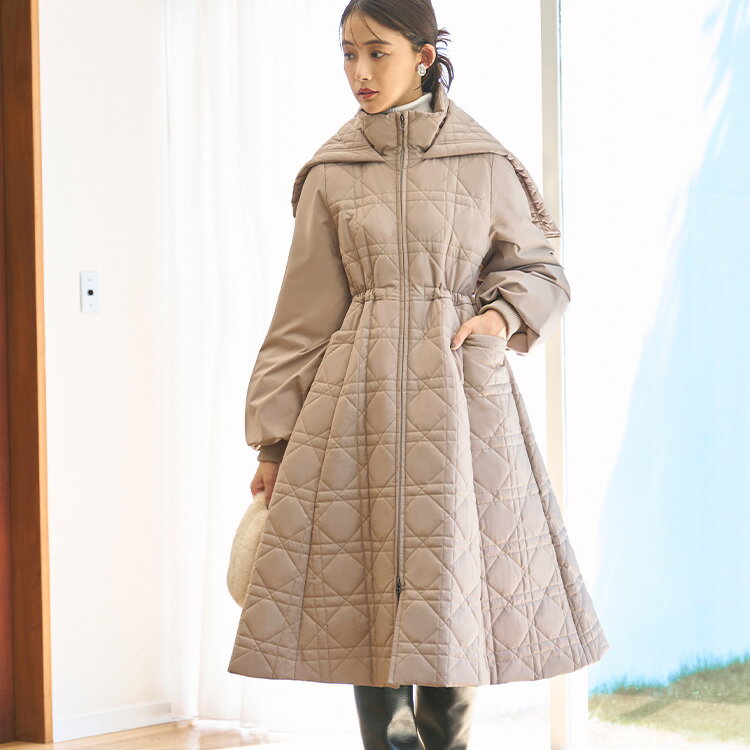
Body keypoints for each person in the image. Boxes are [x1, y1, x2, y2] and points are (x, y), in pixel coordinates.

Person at [228, 1, 610, 748]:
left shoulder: (484, 161)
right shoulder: (332, 172)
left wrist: (497, 319)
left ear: (425, 55)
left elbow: (542, 269)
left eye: (378, 52)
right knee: (367, 592)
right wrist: (272, 443)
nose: (360, 72)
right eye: (348, 54)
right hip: (354, 405)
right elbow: (301, 318)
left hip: (461, 404)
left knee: (449, 588)